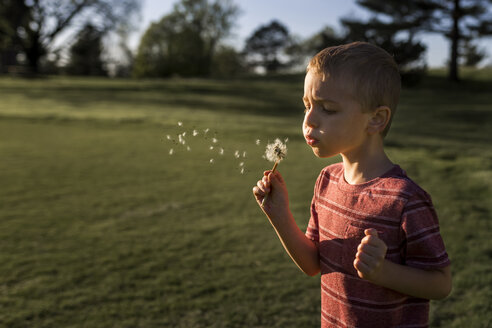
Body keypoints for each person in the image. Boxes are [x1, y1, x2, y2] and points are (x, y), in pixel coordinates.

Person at [252, 42, 452, 328]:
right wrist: (279, 215)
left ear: (376, 119)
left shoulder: (405, 199)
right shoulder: (327, 180)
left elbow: (441, 284)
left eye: (328, 109)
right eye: (307, 106)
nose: (308, 120)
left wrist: (383, 272)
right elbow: (312, 264)